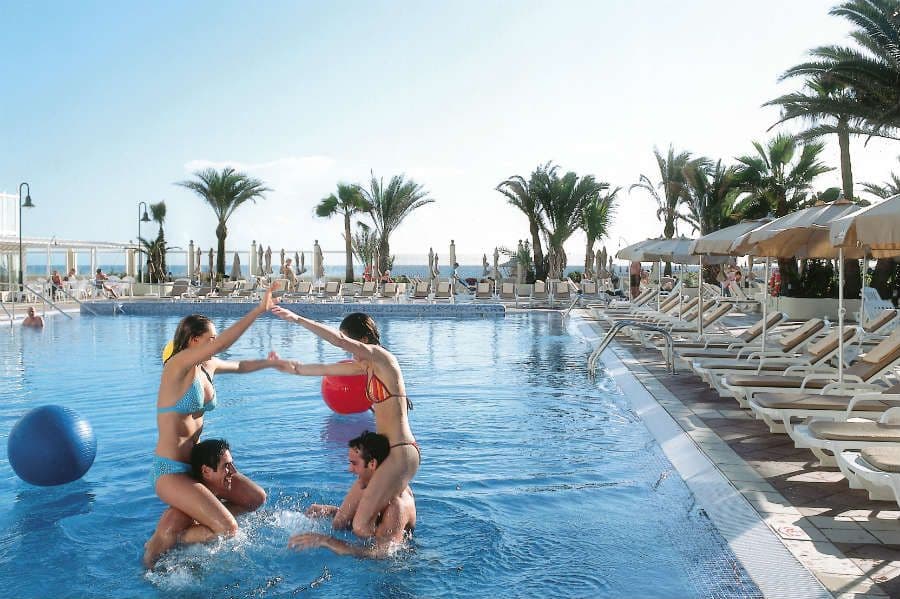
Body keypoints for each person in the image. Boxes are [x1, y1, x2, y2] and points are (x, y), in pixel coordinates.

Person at [144, 288, 289, 569]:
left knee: (254, 499)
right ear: (193, 340)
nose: (214, 344)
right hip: (170, 471)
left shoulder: (206, 364)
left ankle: (185, 522)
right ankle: (171, 538)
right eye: (209, 339)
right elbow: (224, 344)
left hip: (197, 467)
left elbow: (239, 365)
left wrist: (271, 363)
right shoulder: (176, 366)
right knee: (229, 529)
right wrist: (259, 310)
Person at [270, 310, 418, 539]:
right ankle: (370, 508)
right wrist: (290, 368)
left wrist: (297, 319)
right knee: (341, 522)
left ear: (365, 341)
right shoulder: (366, 367)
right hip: (384, 456)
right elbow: (324, 369)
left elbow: (336, 339)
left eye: (350, 345)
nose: (348, 352)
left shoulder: (382, 358)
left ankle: (401, 508)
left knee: (360, 528)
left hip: (400, 453)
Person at [289, 431, 415, 558]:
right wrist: (331, 511)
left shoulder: (397, 505)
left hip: (386, 571)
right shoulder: (367, 484)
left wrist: (326, 541)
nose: (350, 469)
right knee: (338, 523)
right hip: (367, 539)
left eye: (354, 463)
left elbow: (382, 553)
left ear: (372, 464)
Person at [143, 439, 262, 567]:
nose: (234, 472)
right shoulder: (177, 518)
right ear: (206, 471)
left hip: (197, 557)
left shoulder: (219, 498)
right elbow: (149, 567)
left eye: (232, 464)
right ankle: (179, 538)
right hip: (173, 566)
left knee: (256, 498)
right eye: (226, 466)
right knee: (228, 528)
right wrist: (179, 537)